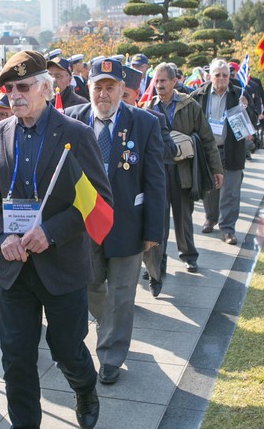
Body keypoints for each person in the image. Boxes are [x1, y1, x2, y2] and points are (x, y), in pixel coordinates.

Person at [0, 50, 112, 429]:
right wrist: (2, 235)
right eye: (9, 88)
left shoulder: (75, 134)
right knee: (16, 359)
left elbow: (98, 201)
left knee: (66, 349)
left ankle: (85, 388)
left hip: (61, 265)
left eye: (22, 87)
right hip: (14, 268)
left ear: (44, 88)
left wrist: (50, 232)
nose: (14, 95)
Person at [66, 58, 165, 384]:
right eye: (98, 87)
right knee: (93, 286)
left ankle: (110, 356)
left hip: (128, 225)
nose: (104, 94)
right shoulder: (71, 120)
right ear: (89, 88)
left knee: (122, 294)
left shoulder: (145, 123)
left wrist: (153, 232)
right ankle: (106, 324)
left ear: (123, 89)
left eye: (111, 87)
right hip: (85, 226)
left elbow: (155, 181)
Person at [146, 62, 222, 275]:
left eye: (163, 80)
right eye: (156, 81)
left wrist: (217, 169)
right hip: (157, 173)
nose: (159, 85)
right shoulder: (148, 108)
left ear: (174, 81)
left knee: (183, 217)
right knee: (156, 220)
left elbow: (207, 139)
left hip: (182, 171)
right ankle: (155, 264)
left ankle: (189, 256)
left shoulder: (190, 105)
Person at [192, 59, 257, 245]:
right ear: (210, 76)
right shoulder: (200, 95)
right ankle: (211, 218)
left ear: (230, 77)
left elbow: (251, 123)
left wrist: (246, 108)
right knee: (210, 189)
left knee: (230, 191)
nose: (221, 79)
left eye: (225, 75)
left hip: (231, 150)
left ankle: (228, 229)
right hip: (208, 151)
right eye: (217, 75)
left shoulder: (239, 94)